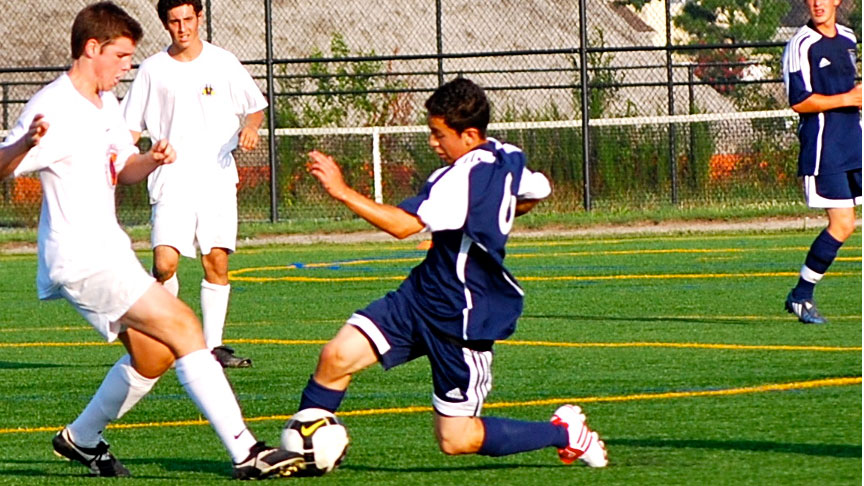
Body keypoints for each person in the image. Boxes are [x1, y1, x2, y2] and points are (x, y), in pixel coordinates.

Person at [0, 2, 301, 479]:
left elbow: (122, 168)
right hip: (81, 256)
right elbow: (5, 161)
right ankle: (247, 452)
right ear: (92, 48)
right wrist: (23, 144)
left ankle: (81, 437)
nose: (127, 66)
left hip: (108, 250)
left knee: (154, 354)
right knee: (184, 326)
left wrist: (152, 160)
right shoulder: (53, 106)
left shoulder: (105, 103)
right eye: (121, 56)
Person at [299, 77, 608, 467]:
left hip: (462, 318)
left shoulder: (459, 180)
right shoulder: (507, 155)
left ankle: (565, 433)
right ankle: (302, 451)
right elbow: (536, 191)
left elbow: (402, 226)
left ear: (470, 135)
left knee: (455, 438)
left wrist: (340, 190)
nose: (433, 142)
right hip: (420, 298)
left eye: (439, 134)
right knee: (336, 356)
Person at [121, 0, 267, 367]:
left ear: (199, 18)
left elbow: (255, 107)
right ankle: (165, 333)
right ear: (165, 24)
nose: (183, 27)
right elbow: (130, 128)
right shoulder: (153, 70)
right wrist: (120, 158)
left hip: (216, 176)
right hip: (170, 176)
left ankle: (213, 348)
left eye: (188, 19)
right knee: (164, 264)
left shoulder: (223, 62)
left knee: (215, 260)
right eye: (175, 21)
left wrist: (250, 127)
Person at [781, 0, 862, 324]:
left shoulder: (848, 37)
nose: (817, 3)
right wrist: (847, 99)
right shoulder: (801, 45)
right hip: (825, 149)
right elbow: (799, 101)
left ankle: (801, 295)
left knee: (846, 224)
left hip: (854, 143)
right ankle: (801, 295)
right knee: (842, 224)